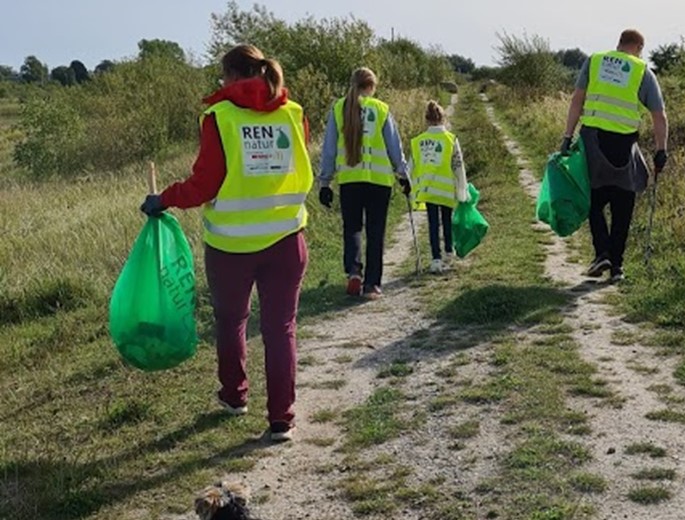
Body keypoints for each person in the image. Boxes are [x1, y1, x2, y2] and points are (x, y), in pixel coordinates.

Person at [140, 44, 312, 443]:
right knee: (280, 328)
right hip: (287, 240)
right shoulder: (294, 113)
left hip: (231, 247)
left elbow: (205, 184)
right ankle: (281, 419)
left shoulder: (219, 117)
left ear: (232, 77)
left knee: (232, 321)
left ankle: (235, 397)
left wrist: (163, 199)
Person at [561, 29, 669, 283]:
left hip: (592, 140)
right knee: (623, 205)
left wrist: (567, 136)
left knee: (593, 200)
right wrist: (661, 150)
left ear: (619, 43)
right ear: (639, 47)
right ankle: (617, 266)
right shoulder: (642, 71)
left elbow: (577, 100)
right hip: (624, 143)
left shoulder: (595, 60)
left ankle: (602, 253)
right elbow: (659, 115)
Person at [317, 67, 411, 299]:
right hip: (379, 182)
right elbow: (394, 147)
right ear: (372, 86)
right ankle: (372, 285)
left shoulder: (339, 108)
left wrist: (325, 182)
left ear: (353, 83)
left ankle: (354, 272)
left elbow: (328, 149)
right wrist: (403, 174)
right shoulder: (381, 109)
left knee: (352, 228)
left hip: (350, 180)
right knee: (376, 231)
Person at [410, 100, 469, 274]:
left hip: (428, 188)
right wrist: (462, 189)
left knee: (433, 223)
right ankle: (449, 253)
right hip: (446, 189)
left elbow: (411, 165)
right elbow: (458, 165)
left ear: (426, 119)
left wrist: (406, 182)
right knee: (447, 221)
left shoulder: (418, 141)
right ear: (443, 119)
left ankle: (435, 259)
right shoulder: (451, 139)